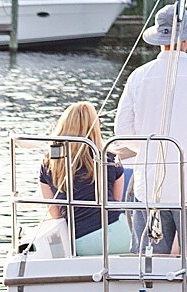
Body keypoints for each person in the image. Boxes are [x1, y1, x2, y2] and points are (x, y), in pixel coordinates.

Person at [114, 6, 187, 256]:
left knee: (149, 260)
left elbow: (122, 130)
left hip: (149, 184)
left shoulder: (138, 75)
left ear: (159, 41)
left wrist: (151, 150)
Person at [39, 101, 126, 249]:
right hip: (119, 233)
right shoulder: (109, 158)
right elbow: (115, 203)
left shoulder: (50, 163)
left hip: (81, 239)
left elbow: (54, 212)